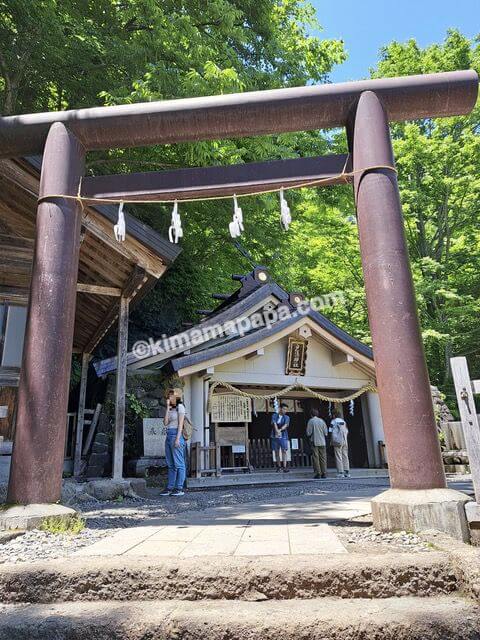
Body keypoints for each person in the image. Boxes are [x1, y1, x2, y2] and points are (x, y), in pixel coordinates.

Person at [160, 390, 187, 496]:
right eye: (169, 396)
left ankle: (179, 488)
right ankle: (170, 487)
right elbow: (165, 423)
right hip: (169, 435)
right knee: (171, 464)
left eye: (172, 396)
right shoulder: (171, 409)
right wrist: (167, 407)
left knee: (179, 464)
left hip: (177, 435)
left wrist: (177, 439)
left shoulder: (180, 407)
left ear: (177, 397)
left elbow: (180, 424)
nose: (170, 398)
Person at [306, 408, 328, 479]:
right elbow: (326, 433)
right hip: (322, 441)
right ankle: (324, 473)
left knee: (316, 457)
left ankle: (318, 473)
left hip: (314, 441)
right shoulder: (322, 421)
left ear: (311, 414)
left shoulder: (311, 421)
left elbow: (308, 433)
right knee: (323, 457)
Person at [271, 403, 290, 473]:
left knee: (284, 450)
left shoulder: (287, 417)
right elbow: (274, 423)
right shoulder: (274, 415)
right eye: (284, 409)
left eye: (286, 409)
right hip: (274, 434)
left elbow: (286, 425)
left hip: (284, 434)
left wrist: (280, 430)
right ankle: (279, 466)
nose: (285, 411)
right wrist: (277, 431)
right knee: (276, 451)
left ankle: (284, 467)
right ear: (280, 408)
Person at [330, 410, 350, 478]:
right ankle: (347, 471)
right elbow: (347, 430)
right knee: (345, 455)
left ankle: (340, 472)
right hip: (344, 440)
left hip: (337, 441)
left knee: (338, 456)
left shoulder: (333, 421)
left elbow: (330, 430)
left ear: (334, 415)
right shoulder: (343, 421)